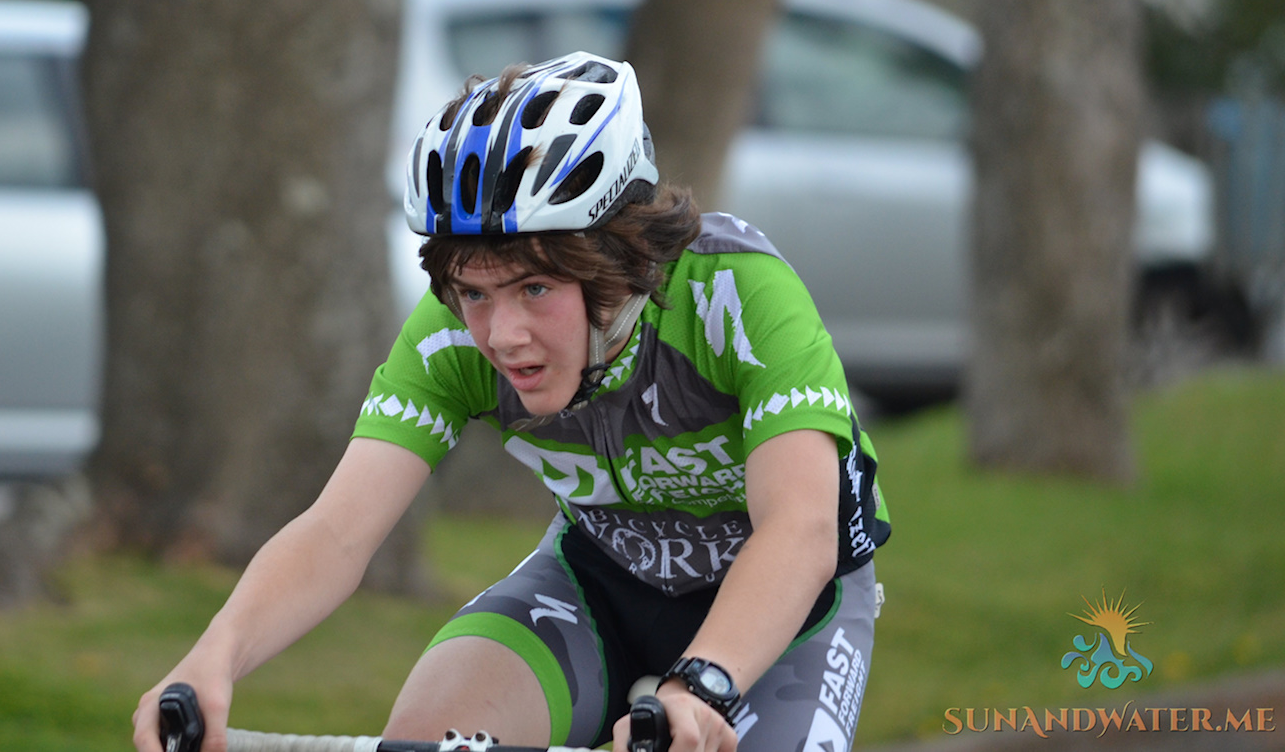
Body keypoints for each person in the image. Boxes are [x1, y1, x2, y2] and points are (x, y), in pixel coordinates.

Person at [131, 52, 890, 752]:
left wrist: (702, 683)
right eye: (473, 291)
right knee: (428, 736)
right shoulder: (451, 338)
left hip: (789, 607)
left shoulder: (735, 293)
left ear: (619, 261)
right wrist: (215, 655)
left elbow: (799, 527)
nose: (502, 334)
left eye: (535, 287)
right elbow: (337, 532)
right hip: (598, 583)